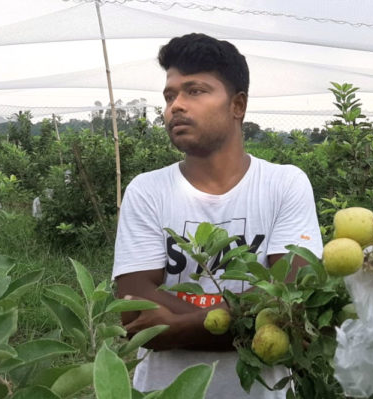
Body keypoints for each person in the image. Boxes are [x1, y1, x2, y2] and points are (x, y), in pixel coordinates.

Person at [112, 33, 323, 398]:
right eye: (169, 95)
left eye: (194, 91)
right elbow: (133, 310)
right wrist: (246, 322)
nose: (175, 105)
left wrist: (175, 328)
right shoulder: (147, 190)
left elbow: (290, 306)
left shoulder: (284, 184)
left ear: (237, 105)